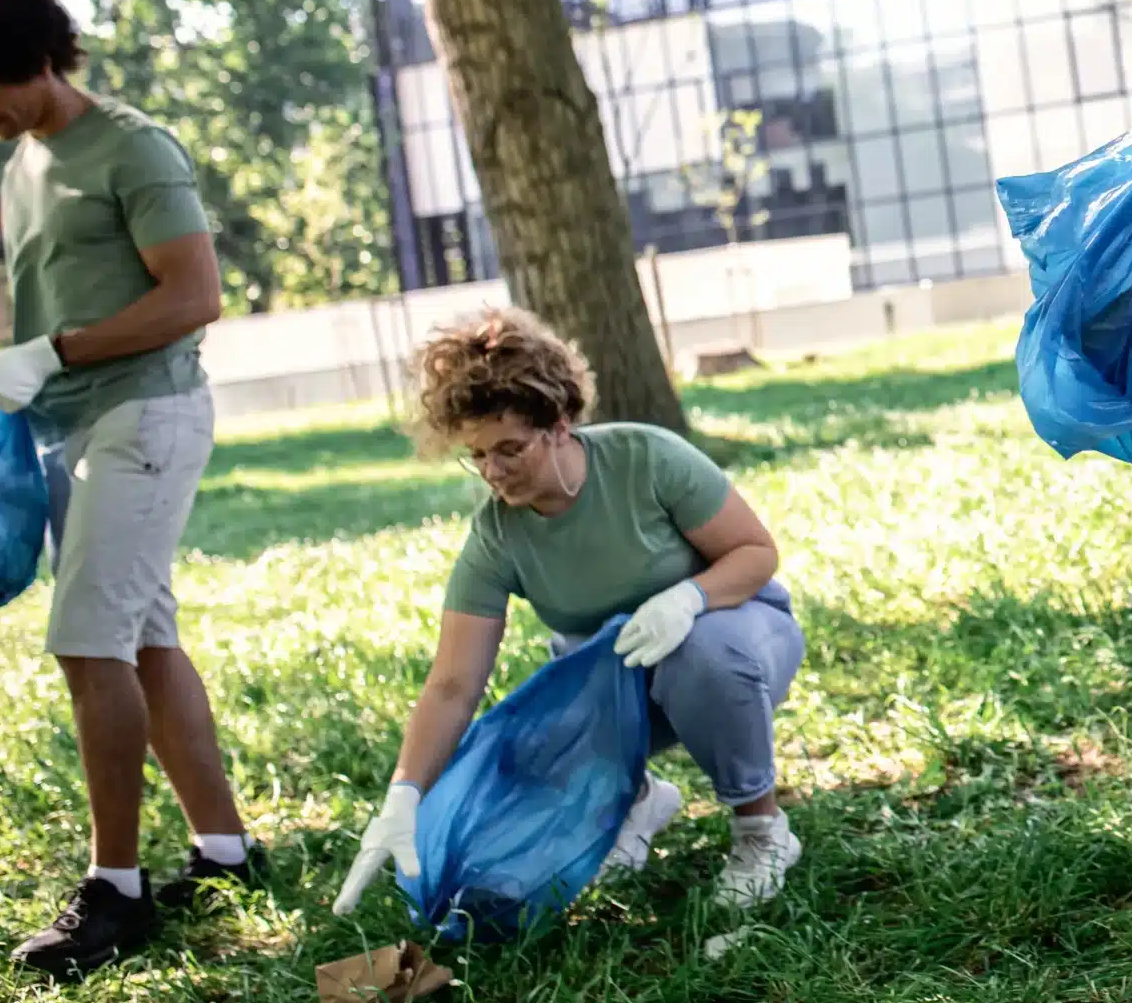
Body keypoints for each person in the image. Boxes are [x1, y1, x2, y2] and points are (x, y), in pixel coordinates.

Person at [333, 307, 807, 916]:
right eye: (476, 456)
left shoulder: (646, 459)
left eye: (509, 449)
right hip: (617, 683)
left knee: (703, 656)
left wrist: (688, 599)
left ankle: (762, 831)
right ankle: (636, 801)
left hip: (736, 643)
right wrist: (404, 795)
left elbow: (755, 552)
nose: (493, 473)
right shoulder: (497, 537)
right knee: (527, 732)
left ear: (558, 424)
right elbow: (453, 684)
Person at [0, 0, 261, 983]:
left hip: (144, 415)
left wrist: (52, 352)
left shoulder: (133, 149)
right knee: (145, 639)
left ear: (28, 57)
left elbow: (195, 295)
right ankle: (226, 852)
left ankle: (117, 889)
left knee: (86, 642)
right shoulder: (21, 159)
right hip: (67, 428)